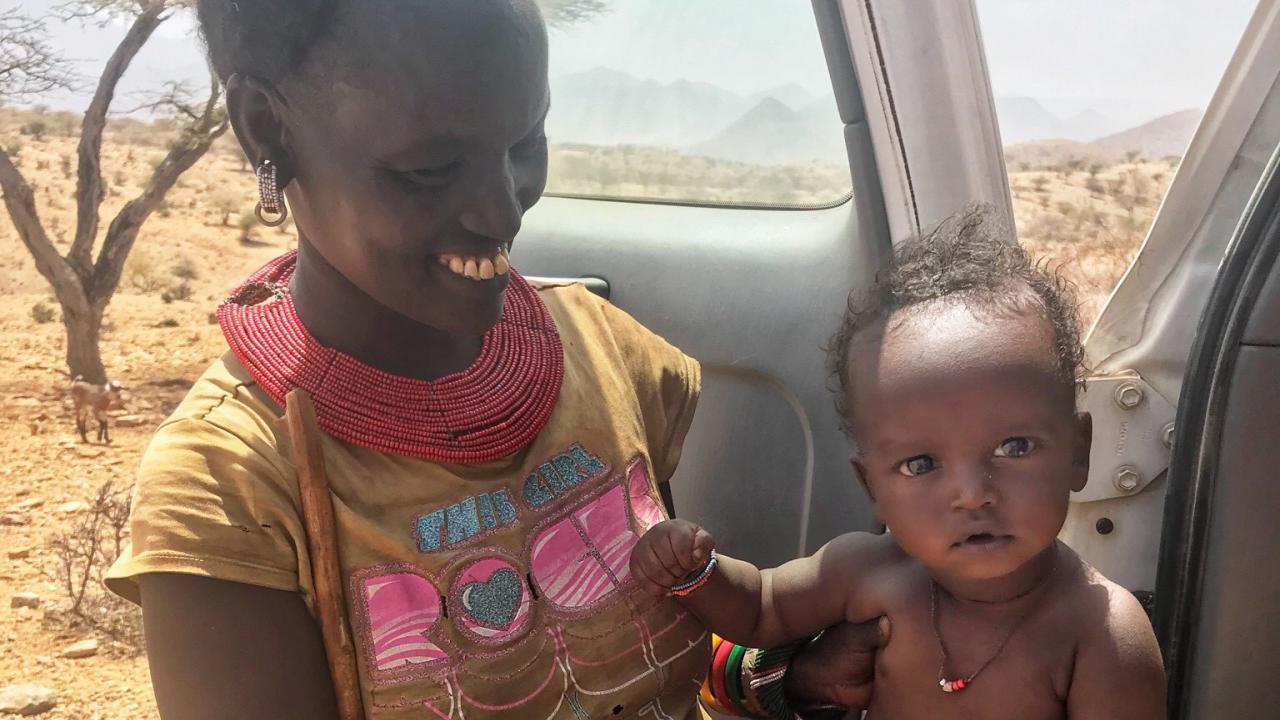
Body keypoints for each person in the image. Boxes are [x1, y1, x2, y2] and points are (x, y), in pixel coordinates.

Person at [103, 1, 882, 718]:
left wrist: (784, 681)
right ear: (266, 130)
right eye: (430, 171)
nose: (503, 210)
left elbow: (653, 638)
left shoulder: (605, 352)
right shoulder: (228, 488)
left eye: (525, 144)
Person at [632, 205, 1167, 719]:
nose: (972, 493)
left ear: (1078, 451)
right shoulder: (869, 572)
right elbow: (761, 608)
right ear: (872, 488)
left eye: (1015, 448)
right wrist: (696, 573)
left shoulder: (1101, 630)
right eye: (921, 464)